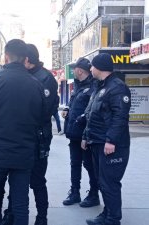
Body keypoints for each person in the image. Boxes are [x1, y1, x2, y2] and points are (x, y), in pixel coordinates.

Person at [0, 39, 46, 225]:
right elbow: (41, 119)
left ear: (6, 57)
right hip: (23, 154)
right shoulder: (36, 84)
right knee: (21, 205)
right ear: (25, 59)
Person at [81, 53, 131, 225]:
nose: (90, 69)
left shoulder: (117, 88)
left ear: (100, 68)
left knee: (110, 183)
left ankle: (112, 219)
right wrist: (86, 136)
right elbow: (92, 114)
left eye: (92, 66)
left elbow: (120, 117)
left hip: (110, 144)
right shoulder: (100, 86)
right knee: (102, 182)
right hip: (97, 141)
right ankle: (107, 213)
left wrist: (111, 140)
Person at [61, 57, 100, 208]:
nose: (73, 71)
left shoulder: (93, 86)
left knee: (89, 165)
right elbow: (73, 102)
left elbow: (92, 110)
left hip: (86, 135)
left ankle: (94, 194)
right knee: (75, 164)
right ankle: (75, 192)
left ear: (79, 70)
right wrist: (67, 109)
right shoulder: (77, 85)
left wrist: (81, 120)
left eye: (74, 68)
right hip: (73, 134)